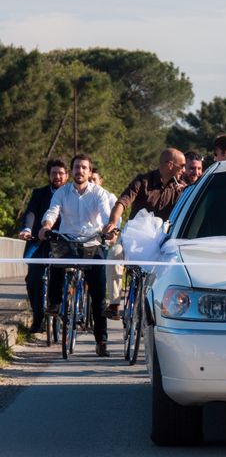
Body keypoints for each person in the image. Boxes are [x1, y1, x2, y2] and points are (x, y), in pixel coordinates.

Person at [38, 154, 113, 356]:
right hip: (68, 241)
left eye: (84, 168)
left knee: (98, 294)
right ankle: (55, 303)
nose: (80, 171)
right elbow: (52, 212)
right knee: (55, 261)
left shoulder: (99, 193)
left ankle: (101, 340)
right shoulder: (62, 192)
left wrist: (109, 230)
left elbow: (106, 216)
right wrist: (46, 227)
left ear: (89, 172)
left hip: (92, 242)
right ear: (71, 171)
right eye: (77, 167)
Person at [101, 148, 186, 318]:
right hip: (134, 238)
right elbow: (122, 203)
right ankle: (115, 304)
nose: (184, 170)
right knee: (115, 253)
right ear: (170, 165)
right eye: (182, 166)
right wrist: (112, 222)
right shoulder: (143, 181)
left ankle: (163, 308)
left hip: (160, 241)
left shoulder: (180, 190)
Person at [18, 158, 68, 334]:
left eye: (61, 173)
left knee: (64, 273)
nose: (57, 176)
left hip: (63, 242)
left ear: (67, 175)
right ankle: (38, 318)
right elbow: (31, 212)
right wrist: (27, 228)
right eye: (54, 173)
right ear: (49, 175)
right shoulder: (39, 194)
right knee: (34, 278)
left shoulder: (71, 193)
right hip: (41, 240)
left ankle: (67, 309)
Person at [90, 168, 123, 320]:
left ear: (101, 181)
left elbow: (116, 222)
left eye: (94, 180)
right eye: (89, 180)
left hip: (103, 239)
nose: (91, 183)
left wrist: (112, 235)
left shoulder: (109, 198)